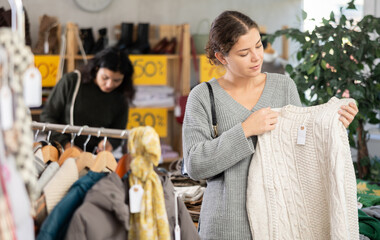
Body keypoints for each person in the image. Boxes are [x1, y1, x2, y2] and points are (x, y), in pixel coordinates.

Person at [182, 11, 358, 240]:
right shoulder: (203, 96)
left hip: (280, 222)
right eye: (244, 53)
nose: (256, 57)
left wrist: (333, 125)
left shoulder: (284, 86)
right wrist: (245, 130)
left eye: (258, 46)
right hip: (226, 227)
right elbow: (195, 165)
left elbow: (302, 150)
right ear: (222, 57)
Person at [40, 47, 135, 153]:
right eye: (105, 78)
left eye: (117, 80)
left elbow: (118, 131)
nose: (110, 84)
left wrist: (109, 143)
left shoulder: (120, 96)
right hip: (61, 153)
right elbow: (47, 117)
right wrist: (66, 145)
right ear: (96, 69)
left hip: (95, 159)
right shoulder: (72, 82)